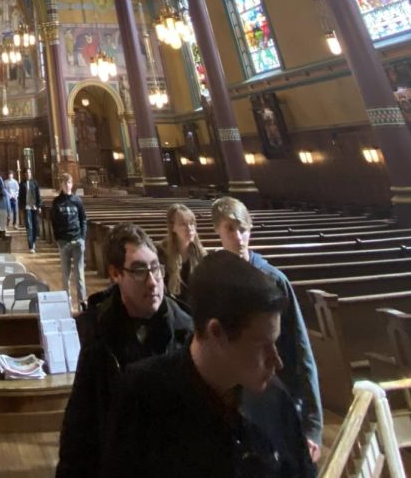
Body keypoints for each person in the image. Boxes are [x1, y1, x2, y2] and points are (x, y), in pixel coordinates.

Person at [105, 251, 315, 477]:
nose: (277, 362)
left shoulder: (273, 397)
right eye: (261, 344)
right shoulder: (143, 394)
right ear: (217, 333)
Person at [56, 223, 193, 478]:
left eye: (156, 268)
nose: (153, 282)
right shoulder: (98, 333)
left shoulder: (187, 330)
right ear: (115, 274)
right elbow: (81, 428)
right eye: (140, 271)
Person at [212, 196, 322, 461]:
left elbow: (300, 346)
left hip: (276, 393)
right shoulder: (214, 280)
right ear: (217, 230)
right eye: (230, 229)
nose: (239, 237)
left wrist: (313, 423)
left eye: (244, 229)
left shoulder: (273, 279)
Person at [50, 173, 87, 312]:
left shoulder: (77, 201)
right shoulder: (57, 202)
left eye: (69, 183)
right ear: (61, 185)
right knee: (66, 276)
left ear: (72, 184)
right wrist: (58, 239)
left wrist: (82, 237)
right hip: (64, 241)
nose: (66, 185)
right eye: (64, 183)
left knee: (80, 275)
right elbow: (54, 222)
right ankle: (67, 304)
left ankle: (82, 305)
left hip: (77, 240)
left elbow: (83, 219)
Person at [160, 202, 206, 307]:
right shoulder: (161, 253)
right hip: (171, 306)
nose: (189, 228)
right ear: (172, 227)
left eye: (191, 223)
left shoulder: (200, 254)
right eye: (183, 224)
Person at [21, 166, 41, 253]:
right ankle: (31, 246)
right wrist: (21, 206)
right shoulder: (22, 184)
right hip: (27, 207)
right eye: (26, 173)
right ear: (24, 174)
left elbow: (38, 194)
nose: (28, 174)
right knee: (29, 226)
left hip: (34, 207)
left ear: (31, 174)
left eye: (29, 172)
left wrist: (39, 206)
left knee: (35, 226)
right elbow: (20, 196)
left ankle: (33, 241)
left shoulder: (35, 182)